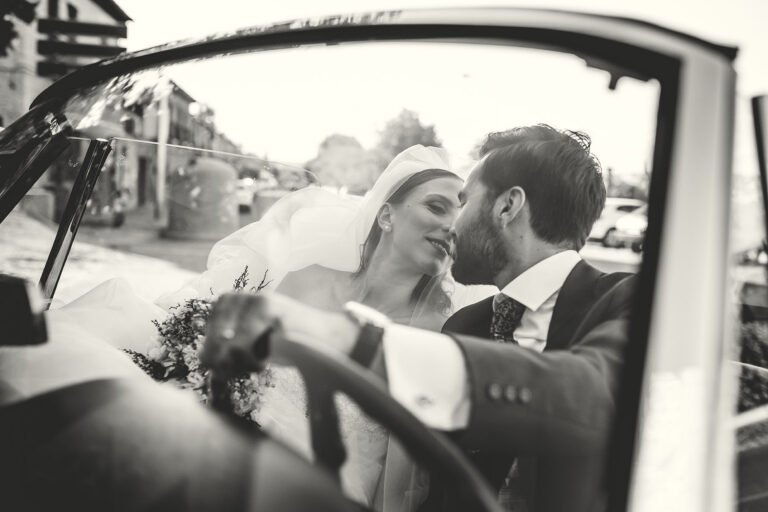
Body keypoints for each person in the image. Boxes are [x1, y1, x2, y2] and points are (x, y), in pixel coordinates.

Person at [201, 125, 635, 512]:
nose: (453, 225)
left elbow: (592, 389)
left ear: (507, 207)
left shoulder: (625, 303)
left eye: (464, 202)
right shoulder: (466, 326)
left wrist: (354, 340)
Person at [155, 144, 471, 509]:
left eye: (461, 217)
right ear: (386, 216)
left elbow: (401, 485)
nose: (452, 226)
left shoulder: (437, 337)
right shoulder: (307, 279)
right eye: (436, 206)